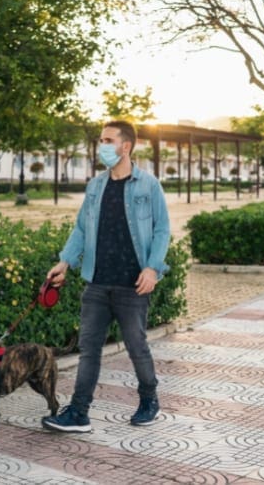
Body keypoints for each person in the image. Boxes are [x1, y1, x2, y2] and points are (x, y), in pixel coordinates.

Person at [41, 120, 171, 432]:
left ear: (125, 146)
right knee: (89, 349)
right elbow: (81, 228)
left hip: (132, 285)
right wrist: (64, 262)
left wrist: (153, 268)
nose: (102, 146)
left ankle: (149, 399)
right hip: (97, 282)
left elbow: (162, 229)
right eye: (101, 139)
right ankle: (79, 412)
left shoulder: (148, 185)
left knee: (136, 345)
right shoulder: (95, 186)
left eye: (108, 140)